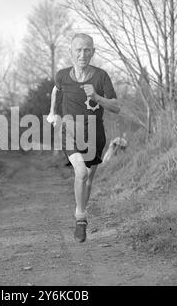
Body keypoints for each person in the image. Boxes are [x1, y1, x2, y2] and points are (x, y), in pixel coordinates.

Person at [48, 33, 121, 243]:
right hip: (69, 131)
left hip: (95, 135)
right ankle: (80, 218)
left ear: (93, 52)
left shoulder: (101, 77)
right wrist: (52, 112)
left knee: (88, 179)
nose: (83, 54)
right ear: (71, 52)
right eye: (78, 49)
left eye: (87, 49)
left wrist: (97, 97)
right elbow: (55, 90)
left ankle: (82, 210)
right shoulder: (62, 76)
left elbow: (116, 106)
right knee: (80, 173)